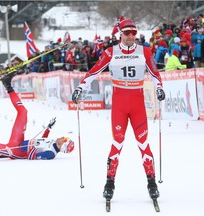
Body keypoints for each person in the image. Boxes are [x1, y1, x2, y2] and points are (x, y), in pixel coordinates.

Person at [71, 19, 165, 201]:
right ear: (120, 34)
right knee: (117, 143)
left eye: (134, 33)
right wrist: (80, 88)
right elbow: (94, 71)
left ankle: (151, 183)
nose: (131, 36)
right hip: (119, 104)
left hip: (137, 103)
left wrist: (159, 88)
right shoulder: (110, 52)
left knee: (143, 143)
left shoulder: (144, 51)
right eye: (127, 33)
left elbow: (155, 74)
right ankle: (109, 183)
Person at [0, 72, 74, 160]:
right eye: (64, 137)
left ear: (62, 146)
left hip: (16, 149)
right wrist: (48, 128)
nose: (62, 137)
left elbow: (32, 157)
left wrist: (32, 147)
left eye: (64, 139)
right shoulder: (53, 143)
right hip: (20, 141)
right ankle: (7, 85)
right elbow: (43, 140)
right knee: (23, 112)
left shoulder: (51, 154)